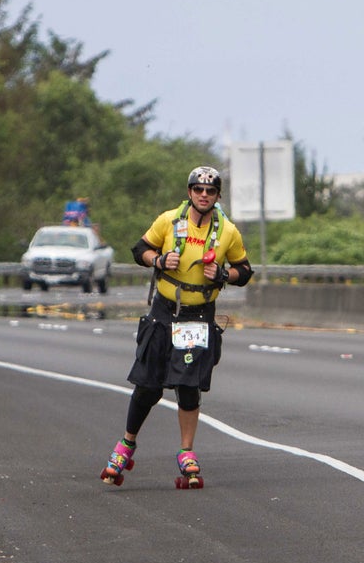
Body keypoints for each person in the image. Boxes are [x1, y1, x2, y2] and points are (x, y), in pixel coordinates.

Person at [99, 166, 254, 488]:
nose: (203, 195)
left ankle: (187, 451)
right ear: (189, 192)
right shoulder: (168, 220)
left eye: (210, 191)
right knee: (148, 384)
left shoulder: (227, 231)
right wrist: (158, 260)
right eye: (198, 189)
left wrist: (225, 276)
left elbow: (245, 270)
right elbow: (139, 249)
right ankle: (127, 444)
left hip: (198, 316)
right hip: (164, 311)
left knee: (188, 385)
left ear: (217, 196)